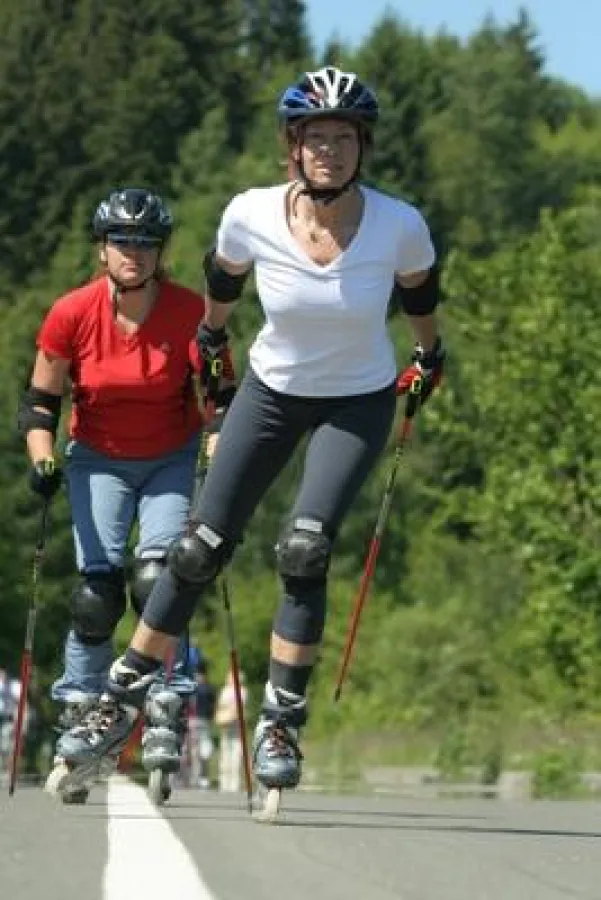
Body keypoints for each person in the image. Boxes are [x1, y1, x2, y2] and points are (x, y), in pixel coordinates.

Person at [57, 65, 445, 797]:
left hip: (355, 401)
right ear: (292, 146)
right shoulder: (252, 213)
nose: (328, 148)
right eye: (314, 136)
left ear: (362, 146)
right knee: (199, 547)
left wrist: (429, 354)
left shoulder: (398, 223)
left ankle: (280, 723)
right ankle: (121, 695)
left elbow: (419, 293)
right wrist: (209, 335)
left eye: (342, 136)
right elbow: (224, 275)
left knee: (304, 548)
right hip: (270, 392)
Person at [18, 187, 214, 801]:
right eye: (123, 241)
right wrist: (42, 457)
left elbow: (221, 396)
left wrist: (216, 439)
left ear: (161, 252)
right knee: (96, 597)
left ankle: (164, 701)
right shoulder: (71, 313)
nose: (134, 252)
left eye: (146, 243)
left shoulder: (191, 313)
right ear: (103, 249)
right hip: (97, 459)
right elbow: (40, 403)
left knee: (162, 579)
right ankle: (81, 709)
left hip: (171, 458)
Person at [186, 646, 217, 789]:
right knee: (203, 750)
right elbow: (213, 707)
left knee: (193, 750)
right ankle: (202, 777)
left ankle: (194, 777)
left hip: (192, 720)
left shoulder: (191, 687)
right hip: (204, 721)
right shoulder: (209, 687)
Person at [215, 666, 248, 793]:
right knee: (226, 753)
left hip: (237, 725)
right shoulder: (227, 690)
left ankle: (233, 783)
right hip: (228, 723)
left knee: (235, 753)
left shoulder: (242, 691)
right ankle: (225, 782)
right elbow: (222, 706)